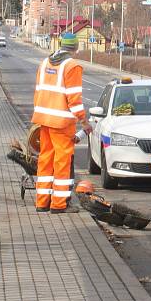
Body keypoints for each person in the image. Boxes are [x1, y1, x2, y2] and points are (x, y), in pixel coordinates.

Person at [31, 32, 92, 213]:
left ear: (60, 44)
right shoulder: (72, 66)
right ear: (76, 47)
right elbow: (74, 99)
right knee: (62, 162)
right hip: (62, 122)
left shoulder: (44, 63)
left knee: (45, 159)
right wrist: (84, 122)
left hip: (44, 120)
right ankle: (58, 204)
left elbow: (38, 93)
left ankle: (42, 202)